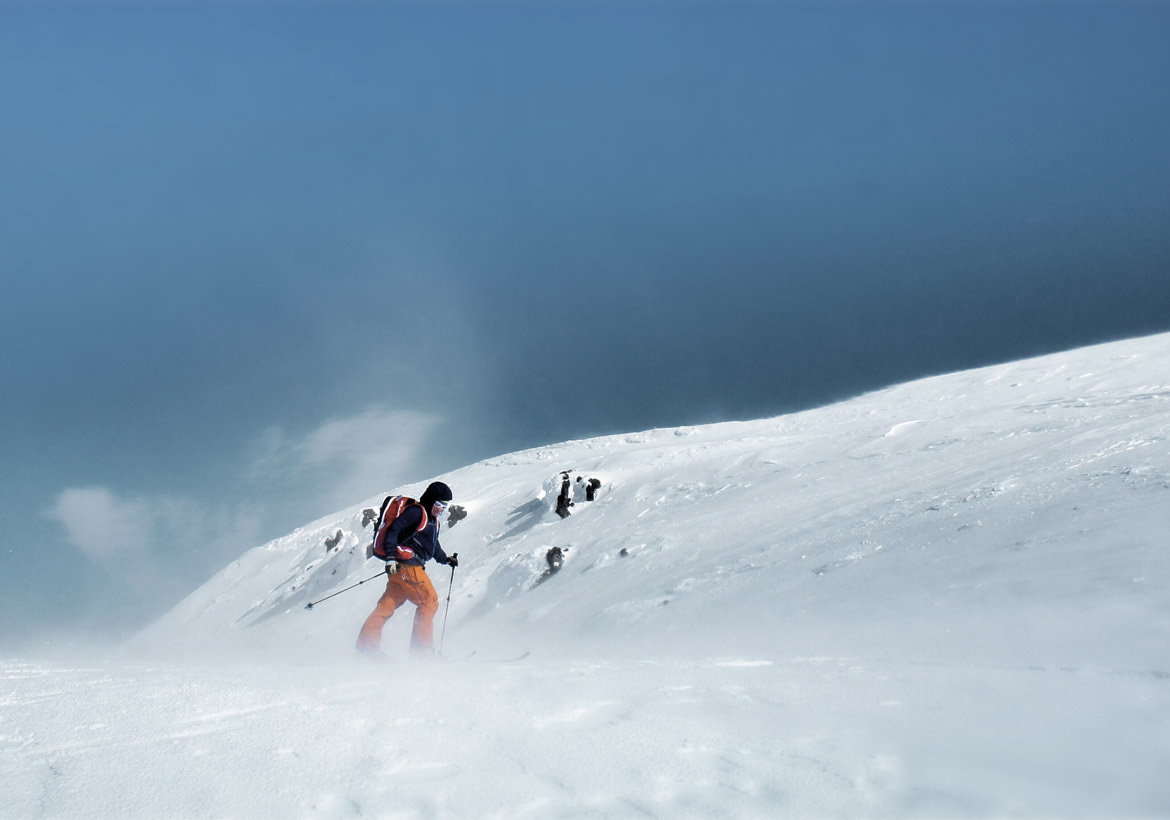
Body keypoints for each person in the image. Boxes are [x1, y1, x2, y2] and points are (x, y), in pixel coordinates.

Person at [356, 481, 458, 655]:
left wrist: (445, 559)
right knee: (429, 601)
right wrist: (389, 557)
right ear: (432, 500)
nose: (442, 509)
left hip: (400, 572)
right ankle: (422, 652)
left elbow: (432, 545)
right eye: (440, 504)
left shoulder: (432, 521)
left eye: (446, 506)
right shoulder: (417, 512)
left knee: (385, 607)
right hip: (408, 568)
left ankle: (367, 649)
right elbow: (394, 530)